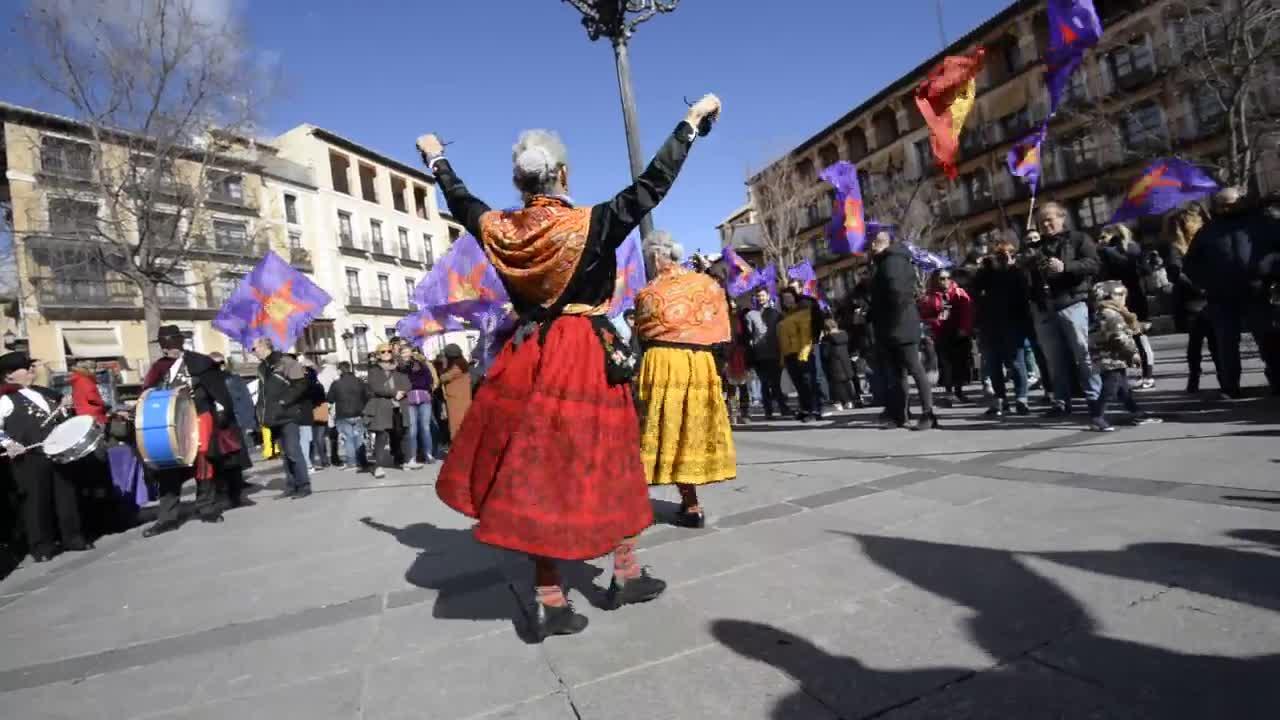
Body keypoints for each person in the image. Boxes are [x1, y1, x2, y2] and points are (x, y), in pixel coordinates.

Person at [416, 92, 719, 638]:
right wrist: (690, 123)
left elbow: (460, 199)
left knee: (540, 475)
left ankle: (551, 596)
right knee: (611, 462)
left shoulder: (499, 230)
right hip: (586, 356)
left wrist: (436, 158)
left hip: (528, 355)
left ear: (520, 184)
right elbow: (653, 184)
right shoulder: (593, 222)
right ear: (560, 173)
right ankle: (622, 572)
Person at [635, 231, 736, 529]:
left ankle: (681, 502)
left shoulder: (649, 293)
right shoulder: (707, 284)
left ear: (655, 256)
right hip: (701, 363)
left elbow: (642, 331)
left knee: (665, 429)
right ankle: (692, 505)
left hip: (663, 363)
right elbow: (723, 327)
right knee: (691, 429)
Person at [139, 326, 244, 534]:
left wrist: (222, 414)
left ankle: (207, 508)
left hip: (199, 417)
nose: (169, 350)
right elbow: (149, 395)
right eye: (165, 346)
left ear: (180, 343)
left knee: (204, 464)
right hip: (170, 422)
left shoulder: (200, 362)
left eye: (171, 345)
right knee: (168, 467)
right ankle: (167, 517)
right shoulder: (158, 369)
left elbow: (219, 393)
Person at [1184, 187, 1280, 398]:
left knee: (1268, 339)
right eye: (1222, 204)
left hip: (1257, 292)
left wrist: (1271, 269)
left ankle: (1277, 380)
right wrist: (1205, 283)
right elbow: (1191, 264)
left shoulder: (1262, 223)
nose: (1227, 208)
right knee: (1226, 343)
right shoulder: (1208, 231)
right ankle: (1230, 386)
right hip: (1221, 297)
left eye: (1231, 203)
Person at [0, 352, 89, 561]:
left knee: (65, 496)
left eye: (31, 365)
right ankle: (41, 547)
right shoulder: (5, 400)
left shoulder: (45, 393)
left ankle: (73, 538)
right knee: (36, 502)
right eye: (25, 367)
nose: (31, 369)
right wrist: (9, 443)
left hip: (56, 451)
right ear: (9, 375)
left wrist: (65, 408)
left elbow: (60, 418)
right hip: (29, 457)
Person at [1022, 202, 1102, 417]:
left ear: (1062, 217)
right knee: (1054, 360)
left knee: (1083, 355)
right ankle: (1061, 401)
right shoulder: (1036, 248)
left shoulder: (1078, 239)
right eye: (1041, 222)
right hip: (1044, 309)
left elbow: (1093, 264)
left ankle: (1095, 399)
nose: (1046, 224)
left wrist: (1066, 267)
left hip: (1073, 303)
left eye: (1050, 219)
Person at [868, 231, 936, 430]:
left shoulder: (892, 261)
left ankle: (927, 414)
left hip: (899, 325)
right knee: (899, 373)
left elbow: (897, 292)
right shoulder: (887, 261)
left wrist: (888, 315)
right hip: (894, 325)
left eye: (874, 243)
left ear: (880, 244)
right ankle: (900, 415)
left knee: (914, 368)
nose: (871, 247)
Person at [1087, 281, 1163, 431]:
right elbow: (1119, 337)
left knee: (1123, 389)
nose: (1124, 298)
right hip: (1110, 357)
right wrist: (1133, 354)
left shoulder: (1105, 312)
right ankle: (1097, 417)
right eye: (1120, 295)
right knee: (1110, 388)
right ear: (1109, 296)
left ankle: (1135, 412)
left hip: (1110, 356)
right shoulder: (1111, 314)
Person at [971, 240, 1033, 417]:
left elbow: (1024, 294)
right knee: (993, 363)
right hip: (989, 324)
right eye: (998, 255)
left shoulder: (1017, 273)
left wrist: (1012, 266)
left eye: (1007, 254)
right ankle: (1000, 400)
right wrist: (985, 266)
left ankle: (1022, 399)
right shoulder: (986, 273)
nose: (1003, 258)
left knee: (1016, 363)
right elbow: (974, 289)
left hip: (1013, 323)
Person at [1098, 223, 1156, 389]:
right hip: (1137, 295)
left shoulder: (1107, 252)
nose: (1100, 240)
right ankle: (1147, 374)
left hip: (1120, 297)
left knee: (1130, 338)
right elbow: (1146, 271)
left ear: (1111, 235)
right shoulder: (1135, 248)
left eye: (1103, 236)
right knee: (1139, 337)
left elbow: (1103, 275)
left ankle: (1144, 376)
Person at [253, 337, 312, 499]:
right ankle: (291, 486)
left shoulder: (285, 362)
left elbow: (301, 385)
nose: (253, 352)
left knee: (293, 451)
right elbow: (263, 396)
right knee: (285, 454)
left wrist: (283, 401)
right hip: (273, 417)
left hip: (288, 415)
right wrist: (260, 413)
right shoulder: (262, 368)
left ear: (265, 347)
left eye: (255, 348)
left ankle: (304, 485)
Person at [918, 270, 974, 405]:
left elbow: (967, 311)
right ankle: (949, 392)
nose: (945, 281)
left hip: (959, 333)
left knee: (960, 363)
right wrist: (934, 321)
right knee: (946, 363)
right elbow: (924, 315)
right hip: (941, 333)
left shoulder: (958, 292)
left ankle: (959, 391)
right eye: (942, 278)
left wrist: (964, 328)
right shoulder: (930, 296)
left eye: (948, 278)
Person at [208, 353, 252, 508]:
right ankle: (230, 496)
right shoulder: (226, 379)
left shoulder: (229, 379)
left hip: (226, 426)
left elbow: (241, 401)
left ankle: (232, 496)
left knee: (230, 463)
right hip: (220, 427)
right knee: (226, 464)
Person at [364, 343, 409, 479]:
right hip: (382, 406)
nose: (387, 353)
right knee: (382, 436)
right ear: (378, 355)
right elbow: (376, 387)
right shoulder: (374, 370)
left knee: (399, 433)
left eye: (389, 351)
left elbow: (407, 383)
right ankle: (377, 465)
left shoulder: (398, 367)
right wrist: (394, 393)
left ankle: (400, 459)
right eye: (383, 352)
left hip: (398, 406)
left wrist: (403, 391)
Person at [744, 286, 789, 419]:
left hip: (775, 352)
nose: (761, 298)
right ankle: (768, 411)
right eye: (758, 296)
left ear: (768, 296)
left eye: (763, 295)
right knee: (764, 383)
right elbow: (749, 335)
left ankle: (783, 408)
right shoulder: (750, 314)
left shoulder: (776, 313)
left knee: (775, 383)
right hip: (759, 354)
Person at [778, 289, 822, 421]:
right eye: (784, 299)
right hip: (789, 353)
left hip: (802, 352)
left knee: (808, 382)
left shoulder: (803, 312)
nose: (787, 301)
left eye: (789, 297)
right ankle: (805, 408)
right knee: (799, 384)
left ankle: (814, 410)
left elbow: (806, 333)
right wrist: (783, 358)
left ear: (795, 297)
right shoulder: (785, 316)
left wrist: (804, 353)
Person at [398, 344, 438, 468]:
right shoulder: (399, 367)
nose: (405, 354)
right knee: (412, 429)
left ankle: (428, 454)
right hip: (408, 400)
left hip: (423, 397)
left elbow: (428, 379)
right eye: (403, 352)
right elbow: (401, 383)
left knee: (425, 427)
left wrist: (417, 384)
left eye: (407, 352)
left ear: (411, 353)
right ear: (400, 354)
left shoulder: (419, 364)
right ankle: (412, 456)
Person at [327, 361, 369, 470]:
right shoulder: (359, 381)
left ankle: (352, 462)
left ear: (340, 370)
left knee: (348, 439)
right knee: (359, 438)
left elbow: (330, 399)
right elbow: (367, 396)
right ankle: (362, 461)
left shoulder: (336, 383)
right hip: (359, 413)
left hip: (343, 414)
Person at [820, 318, 860, 409]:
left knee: (836, 385)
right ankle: (849, 401)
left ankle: (838, 403)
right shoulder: (844, 335)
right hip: (845, 362)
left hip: (833, 363)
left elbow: (825, 354)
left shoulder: (827, 339)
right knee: (847, 383)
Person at [724, 297, 752, 424]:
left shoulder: (742, 317)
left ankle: (745, 412)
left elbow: (748, 335)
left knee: (743, 385)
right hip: (727, 354)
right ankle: (732, 413)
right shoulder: (722, 318)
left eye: (732, 302)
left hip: (741, 354)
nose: (731, 305)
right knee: (730, 386)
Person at [438, 345, 472, 441]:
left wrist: (444, 364)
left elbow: (443, 377)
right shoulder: (461, 363)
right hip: (460, 398)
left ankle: (458, 447)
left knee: (456, 425)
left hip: (457, 400)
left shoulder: (457, 365)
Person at [68, 360, 109, 425]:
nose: (95, 371)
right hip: (93, 415)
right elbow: (92, 397)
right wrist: (102, 404)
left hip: (82, 413)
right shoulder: (86, 380)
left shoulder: (78, 380)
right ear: (87, 369)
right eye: (93, 368)